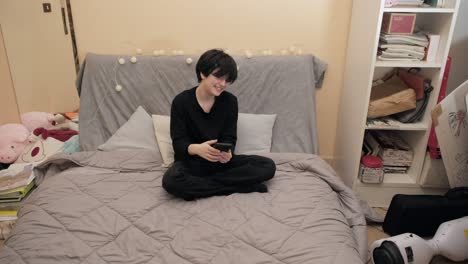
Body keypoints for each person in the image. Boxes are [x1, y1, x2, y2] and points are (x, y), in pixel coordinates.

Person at [162, 49, 276, 201]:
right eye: (218, 77)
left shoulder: (230, 102)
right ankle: (241, 187)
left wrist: (228, 152)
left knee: (267, 166)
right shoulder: (181, 102)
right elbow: (179, 143)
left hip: (220, 163)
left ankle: (204, 187)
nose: (223, 84)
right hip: (192, 164)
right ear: (202, 73)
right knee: (171, 181)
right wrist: (198, 149)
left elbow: (230, 137)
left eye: (227, 80)